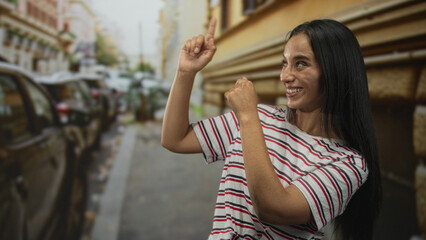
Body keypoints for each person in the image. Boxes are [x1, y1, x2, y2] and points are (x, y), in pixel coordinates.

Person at [161, 18, 382, 240]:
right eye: (284, 63)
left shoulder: (347, 163)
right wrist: (185, 72)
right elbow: (175, 139)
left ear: (335, 71)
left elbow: (273, 208)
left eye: (301, 63)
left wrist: (247, 116)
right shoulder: (262, 118)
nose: (284, 76)